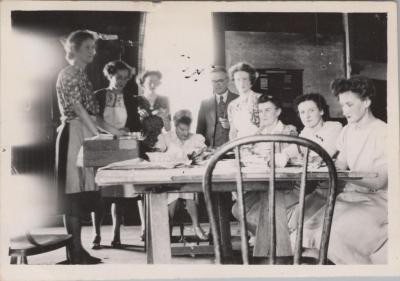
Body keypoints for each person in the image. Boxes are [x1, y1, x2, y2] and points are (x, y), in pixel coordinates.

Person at [298, 76, 387, 264]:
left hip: (379, 200)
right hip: (351, 196)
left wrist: (340, 174)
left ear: (366, 102)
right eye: (342, 105)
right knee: (308, 230)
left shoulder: (384, 132)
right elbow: (340, 165)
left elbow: (379, 181)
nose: (344, 110)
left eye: (349, 104)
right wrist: (324, 167)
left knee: (333, 233)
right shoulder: (348, 131)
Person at [55, 30, 123, 264]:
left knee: (83, 194)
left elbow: (94, 115)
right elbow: (78, 109)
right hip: (74, 134)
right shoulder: (68, 73)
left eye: (94, 48)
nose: (93, 52)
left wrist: (116, 133)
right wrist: (97, 136)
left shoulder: (83, 76)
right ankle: (74, 252)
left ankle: (77, 249)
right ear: (73, 50)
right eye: (87, 48)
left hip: (85, 134)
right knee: (73, 194)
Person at [275, 93, 343, 244]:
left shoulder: (334, 127)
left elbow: (323, 154)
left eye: (311, 110)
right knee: (283, 216)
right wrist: (285, 155)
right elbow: (294, 149)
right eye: (302, 112)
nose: (307, 116)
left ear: (322, 111)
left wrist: (300, 155)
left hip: (333, 189)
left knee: (294, 223)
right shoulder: (306, 132)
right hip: (313, 186)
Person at [91, 60, 145, 248]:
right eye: (118, 77)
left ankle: (116, 235)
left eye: (125, 78)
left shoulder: (130, 98)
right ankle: (96, 234)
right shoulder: (98, 95)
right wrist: (112, 131)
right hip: (101, 146)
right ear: (110, 75)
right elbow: (93, 118)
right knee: (99, 195)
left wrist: (129, 128)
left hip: (122, 146)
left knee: (119, 195)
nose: (121, 81)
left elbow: (136, 124)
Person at [231, 94, 297, 244]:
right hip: (263, 184)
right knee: (237, 209)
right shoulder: (259, 133)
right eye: (260, 111)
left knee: (254, 212)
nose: (263, 115)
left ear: (278, 112)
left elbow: (289, 159)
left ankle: (273, 242)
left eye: (267, 110)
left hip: (284, 186)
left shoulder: (288, 132)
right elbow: (246, 153)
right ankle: (266, 237)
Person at [154, 109, 207, 240]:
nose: (185, 133)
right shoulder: (166, 138)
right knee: (174, 194)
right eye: (181, 130)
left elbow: (204, 153)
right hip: (170, 178)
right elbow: (156, 152)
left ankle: (195, 226)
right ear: (175, 127)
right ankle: (169, 229)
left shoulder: (196, 138)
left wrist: (199, 155)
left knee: (187, 193)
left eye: (187, 130)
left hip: (189, 178)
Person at [196, 66, 238, 147]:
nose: (217, 84)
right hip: (211, 152)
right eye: (213, 81)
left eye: (220, 81)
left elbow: (246, 129)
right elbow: (199, 133)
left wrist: (232, 126)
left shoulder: (238, 100)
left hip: (233, 150)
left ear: (227, 81)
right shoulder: (205, 103)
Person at [136, 70, 171, 152]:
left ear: (159, 83)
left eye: (156, 81)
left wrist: (164, 117)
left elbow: (168, 128)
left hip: (159, 144)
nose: (153, 85)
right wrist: (139, 117)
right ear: (142, 84)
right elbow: (131, 127)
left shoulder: (164, 100)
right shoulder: (136, 100)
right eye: (150, 82)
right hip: (140, 144)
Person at [227, 62, 262, 140]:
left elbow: (266, 125)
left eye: (245, 79)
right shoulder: (232, 105)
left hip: (259, 143)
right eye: (238, 80)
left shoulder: (261, 99)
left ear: (251, 80)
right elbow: (233, 131)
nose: (241, 83)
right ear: (234, 81)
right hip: (239, 146)